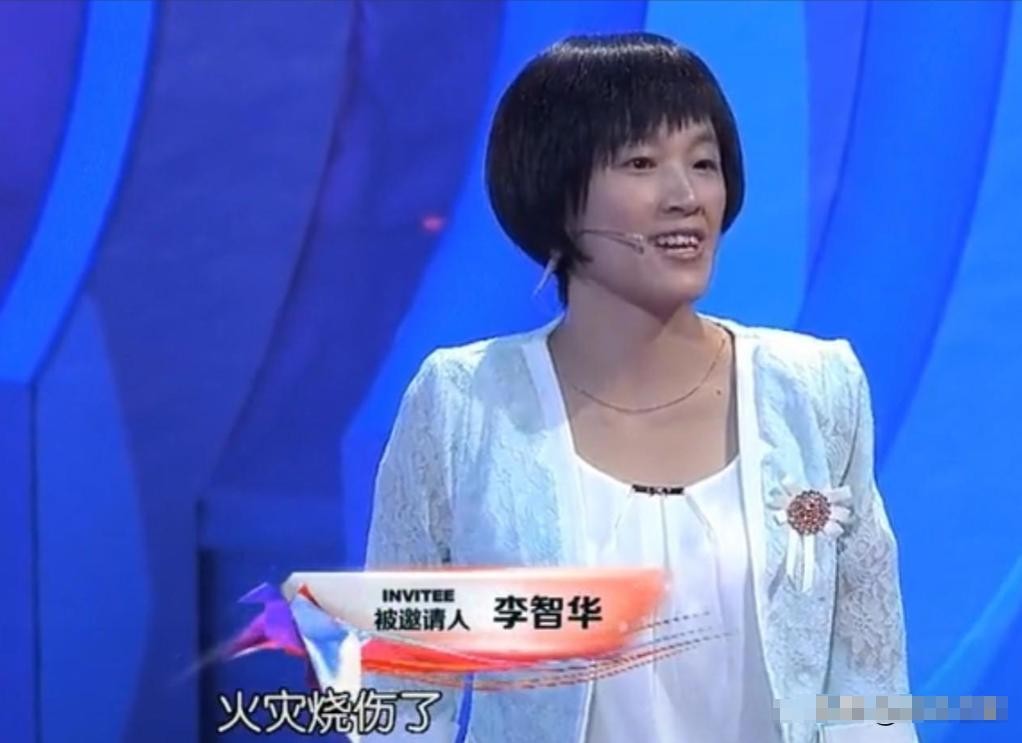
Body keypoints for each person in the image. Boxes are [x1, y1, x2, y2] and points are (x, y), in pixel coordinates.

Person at [364, 32, 915, 743]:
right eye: (642, 164)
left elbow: (869, 690)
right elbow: (400, 696)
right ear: (557, 192)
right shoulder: (463, 406)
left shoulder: (814, 389)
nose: (686, 197)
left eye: (704, 163)